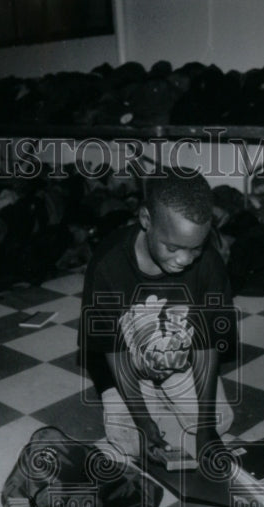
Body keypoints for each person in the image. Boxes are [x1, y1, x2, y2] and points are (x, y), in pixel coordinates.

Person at [80, 169, 236, 468]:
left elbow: (207, 347)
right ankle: (149, 399)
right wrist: (142, 420)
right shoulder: (108, 265)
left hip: (178, 356)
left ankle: (166, 395)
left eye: (196, 248)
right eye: (173, 247)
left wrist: (205, 428)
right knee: (131, 443)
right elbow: (114, 351)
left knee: (221, 422)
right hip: (125, 361)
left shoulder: (210, 266)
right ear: (146, 220)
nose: (185, 260)